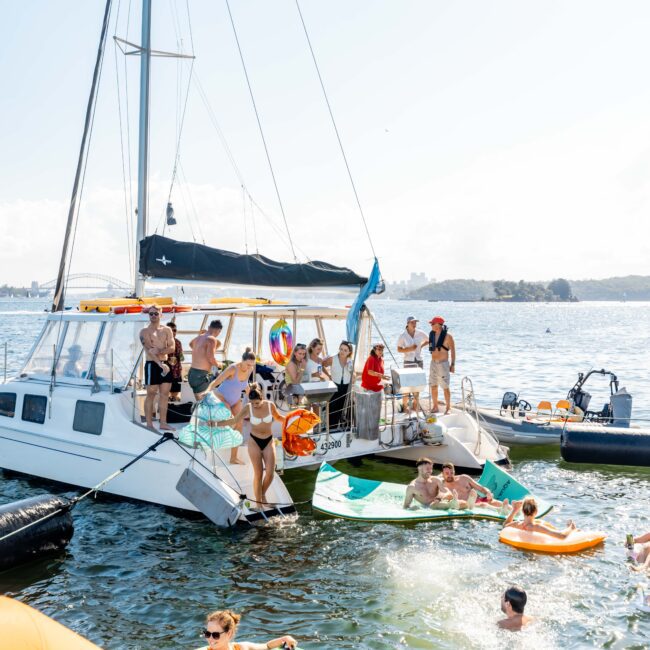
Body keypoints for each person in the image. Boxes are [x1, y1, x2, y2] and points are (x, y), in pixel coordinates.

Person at [219, 383, 285, 508]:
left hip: (268, 441)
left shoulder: (270, 406)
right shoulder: (248, 407)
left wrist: (294, 419)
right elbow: (234, 420)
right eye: (253, 403)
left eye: (257, 403)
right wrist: (216, 424)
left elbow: (280, 418)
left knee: (270, 473)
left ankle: (263, 495)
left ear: (262, 398)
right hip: (254, 441)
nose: (255, 405)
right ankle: (258, 504)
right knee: (258, 473)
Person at [208, 348, 256, 464]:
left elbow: (245, 384)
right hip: (222, 397)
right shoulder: (232, 368)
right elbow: (216, 382)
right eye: (248, 364)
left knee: (239, 425)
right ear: (242, 360)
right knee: (231, 420)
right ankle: (211, 425)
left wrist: (251, 395)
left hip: (235, 400)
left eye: (252, 365)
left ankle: (233, 458)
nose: (250, 367)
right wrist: (207, 391)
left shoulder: (250, 369)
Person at [139, 305, 175, 431]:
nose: (153, 316)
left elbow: (172, 348)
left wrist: (159, 350)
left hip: (165, 364)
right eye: (151, 314)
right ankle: (149, 424)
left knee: (165, 394)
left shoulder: (167, 330)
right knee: (151, 394)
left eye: (155, 313)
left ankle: (163, 423)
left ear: (161, 314)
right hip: (153, 365)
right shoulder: (144, 332)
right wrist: (160, 364)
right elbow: (149, 352)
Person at [199, 609, 297, 650]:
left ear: (229, 633)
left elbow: (267, 646)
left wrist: (284, 639)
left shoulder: (242, 647)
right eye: (207, 634)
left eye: (215, 635)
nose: (210, 639)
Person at [403, 457, 471, 510]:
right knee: (433, 505)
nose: (430, 471)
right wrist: (412, 509)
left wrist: (440, 498)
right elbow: (405, 506)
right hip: (429, 508)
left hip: (441, 502)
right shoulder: (412, 487)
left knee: (465, 504)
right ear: (419, 469)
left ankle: (453, 504)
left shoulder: (435, 480)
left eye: (431, 469)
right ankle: (452, 505)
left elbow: (447, 492)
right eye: (427, 469)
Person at [440, 462, 509, 511]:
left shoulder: (464, 478)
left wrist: (488, 493)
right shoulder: (441, 486)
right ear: (442, 473)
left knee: (497, 503)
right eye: (447, 473)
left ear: (454, 472)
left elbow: (481, 488)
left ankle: (514, 510)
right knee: (482, 505)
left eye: (451, 473)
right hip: (466, 506)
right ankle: (500, 510)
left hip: (478, 500)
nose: (450, 475)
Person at [396, 316, 428, 414]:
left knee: (417, 385)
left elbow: (429, 340)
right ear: (408, 324)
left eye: (415, 322)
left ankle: (415, 406)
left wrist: (420, 346)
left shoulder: (420, 333)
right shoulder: (403, 336)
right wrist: (410, 349)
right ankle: (405, 407)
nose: (414, 324)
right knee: (406, 385)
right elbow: (399, 349)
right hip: (408, 361)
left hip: (418, 361)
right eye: (412, 322)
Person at [503, 496, 576, 539]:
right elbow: (562, 536)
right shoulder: (537, 527)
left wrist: (514, 510)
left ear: (522, 511)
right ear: (536, 512)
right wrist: (570, 528)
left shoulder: (517, 524)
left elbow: (505, 526)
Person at [323, 340, 354, 430]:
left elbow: (354, 374)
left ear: (349, 352)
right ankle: (331, 428)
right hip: (335, 386)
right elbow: (322, 364)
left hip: (346, 387)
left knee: (342, 408)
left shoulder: (350, 361)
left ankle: (339, 427)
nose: (342, 352)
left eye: (345, 350)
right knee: (333, 408)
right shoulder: (333, 358)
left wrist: (352, 372)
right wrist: (327, 375)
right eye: (341, 349)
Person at [428, 316, 456, 414]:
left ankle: (448, 408)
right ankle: (435, 406)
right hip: (433, 363)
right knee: (433, 386)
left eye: (432, 324)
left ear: (438, 325)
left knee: (445, 386)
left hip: (443, 364)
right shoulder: (432, 334)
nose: (431, 325)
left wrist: (452, 364)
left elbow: (453, 351)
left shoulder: (448, 336)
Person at [188, 320, 223, 398]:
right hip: (200, 375)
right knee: (205, 403)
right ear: (219, 331)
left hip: (192, 373)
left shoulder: (199, 337)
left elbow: (190, 344)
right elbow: (211, 358)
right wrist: (220, 365)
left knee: (200, 403)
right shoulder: (212, 339)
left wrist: (200, 352)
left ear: (208, 327)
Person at [167, 321, 184, 401]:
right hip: (166, 371)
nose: (173, 332)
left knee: (175, 393)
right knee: (165, 394)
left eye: (175, 330)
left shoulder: (178, 342)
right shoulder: (163, 342)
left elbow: (181, 357)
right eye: (171, 330)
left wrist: (181, 356)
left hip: (176, 371)